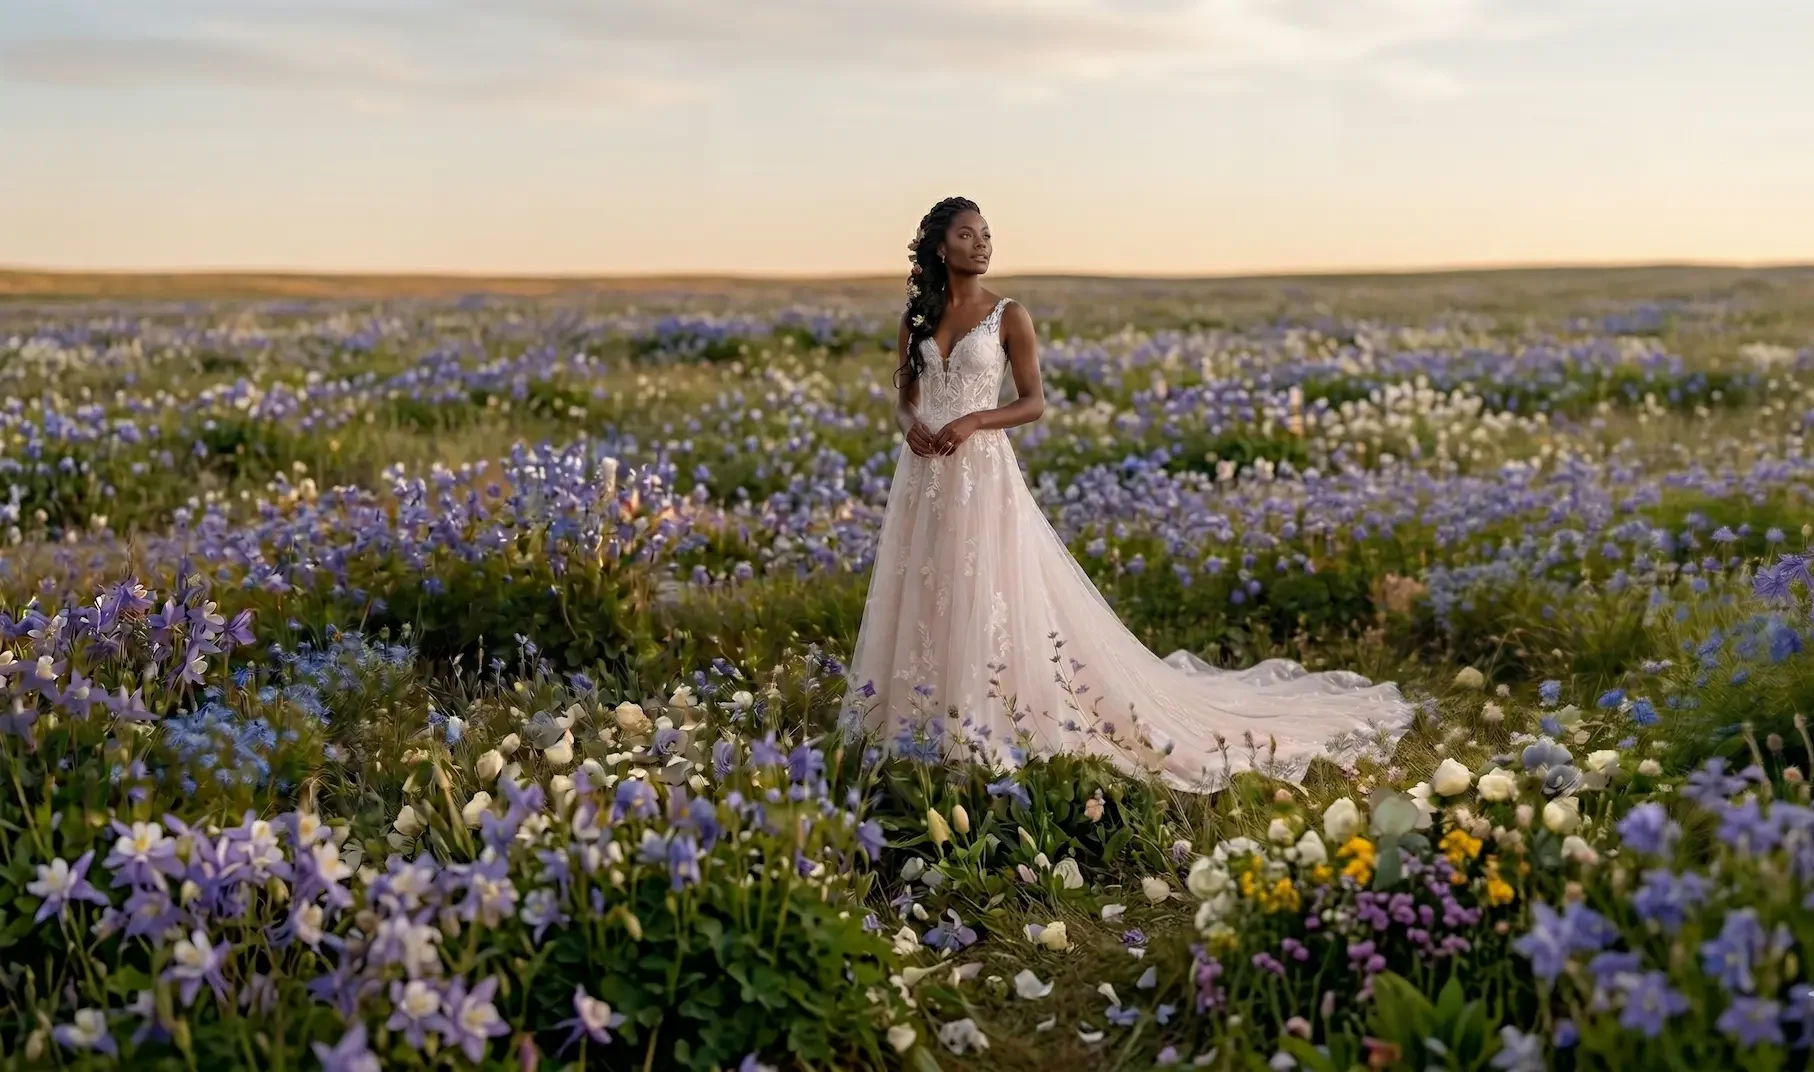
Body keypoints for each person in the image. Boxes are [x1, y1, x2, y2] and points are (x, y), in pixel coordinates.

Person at [844, 196, 1410, 790]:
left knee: (985, 583)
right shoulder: (915, 317)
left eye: (986, 234)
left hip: (982, 470)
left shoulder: (1010, 314)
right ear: (941, 247)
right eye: (968, 235)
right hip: (925, 472)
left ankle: (988, 722)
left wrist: (973, 422)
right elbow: (905, 397)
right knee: (926, 581)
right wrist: (914, 428)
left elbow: (1033, 402)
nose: (983, 243)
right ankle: (919, 721)